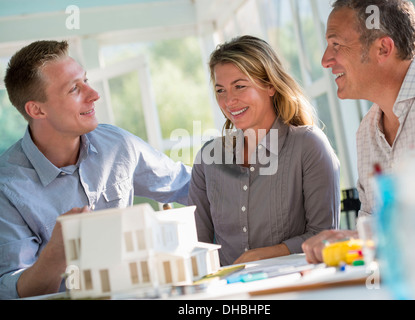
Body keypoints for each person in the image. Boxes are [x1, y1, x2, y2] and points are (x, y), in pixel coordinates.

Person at [0, 40, 191, 299]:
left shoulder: (117, 144)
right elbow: (15, 291)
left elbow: (190, 186)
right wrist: (57, 252)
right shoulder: (7, 187)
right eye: (74, 89)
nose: (94, 94)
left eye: (86, 80)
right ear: (37, 109)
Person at [302, 0, 415, 264]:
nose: (325, 60)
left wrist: (363, 240)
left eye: (336, 44)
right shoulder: (366, 132)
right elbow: (372, 232)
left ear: (383, 48)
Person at [188, 35, 341, 267]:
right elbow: (197, 245)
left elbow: (325, 236)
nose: (229, 101)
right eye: (221, 90)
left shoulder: (308, 146)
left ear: (270, 85)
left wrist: (265, 254)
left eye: (240, 86)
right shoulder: (207, 160)